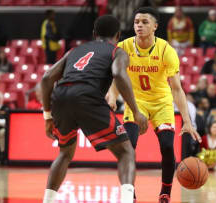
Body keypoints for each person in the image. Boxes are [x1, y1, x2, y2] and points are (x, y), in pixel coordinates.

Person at [40, 15, 148, 203]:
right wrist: (136, 111)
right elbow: (118, 75)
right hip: (87, 95)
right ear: (118, 35)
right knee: (126, 151)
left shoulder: (75, 50)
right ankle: (127, 200)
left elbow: (46, 79)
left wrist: (48, 116)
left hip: (61, 95)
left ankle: (47, 200)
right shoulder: (117, 51)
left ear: (94, 34)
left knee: (65, 153)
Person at [108, 7, 201, 202]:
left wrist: (187, 121)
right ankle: (129, 193)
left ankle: (165, 192)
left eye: (144, 22)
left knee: (167, 146)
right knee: (129, 147)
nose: (139, 25)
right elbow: (117, 77)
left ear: (155, 26)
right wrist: (111, 95)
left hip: (161, 103)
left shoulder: (166, 50)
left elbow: (176, 89)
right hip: (136, 102)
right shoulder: (123, 47)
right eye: (136, 22)